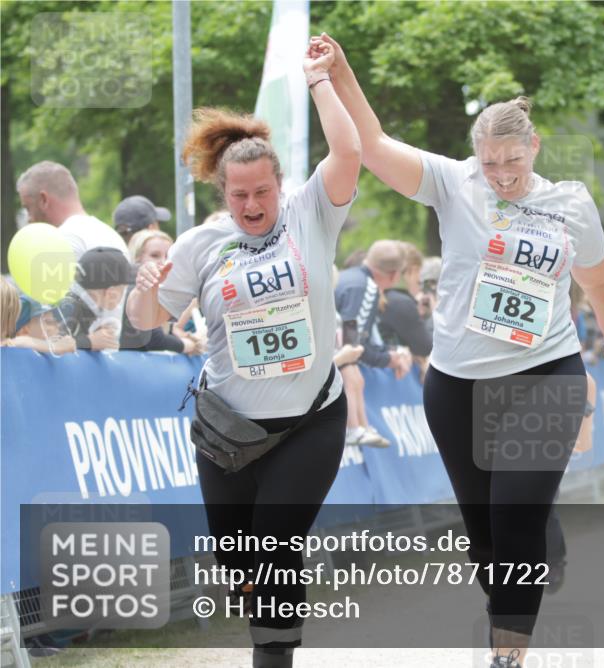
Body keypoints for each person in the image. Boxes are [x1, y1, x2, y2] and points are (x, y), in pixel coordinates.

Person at [321, 33, 604, 668]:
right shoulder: (453, 183)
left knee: (518, 518)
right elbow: (375, 146)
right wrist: (342, 72)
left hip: (546, 374)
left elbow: (599, 280)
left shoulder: (569, 202)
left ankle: (506, 657)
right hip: (459, 384)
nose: (502, 175)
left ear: (534, 147)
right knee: (486, 534)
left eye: (512, 161)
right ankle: (508, 622)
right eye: (490, 164)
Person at [125, 35, 361, 668]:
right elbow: (146, 320)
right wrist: (144, 292)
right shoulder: (203, 244)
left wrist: (321, 81)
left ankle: (274, 660)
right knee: (240, 564)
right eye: (239, 196)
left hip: (309, 420)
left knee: (277, 546)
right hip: (228, 430)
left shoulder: (312, 213)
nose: (252, 207)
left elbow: (350, 150)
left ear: (280, 185)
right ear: (221, 192)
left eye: (262, 193)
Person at [334, 239, 412, 447]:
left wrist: (389, 354)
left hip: (328, 342)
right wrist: (388, 359)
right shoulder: (367, 287)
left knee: (356, 379)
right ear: (395, 275)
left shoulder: (350, 276)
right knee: (353, 378)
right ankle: (355, 429)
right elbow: (352, 343)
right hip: (333, 347)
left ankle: (362, 427)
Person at [16, 161, 128, 259]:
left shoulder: (62, 242)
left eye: (28, 208)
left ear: (44, 200)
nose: (29, 219)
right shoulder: (111, 235)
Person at [54, 247, 134, 352]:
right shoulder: (68, 306)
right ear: (111, 293)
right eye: (122, 290)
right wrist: (89, 342)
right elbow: (50, 345)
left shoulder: (78, 304)